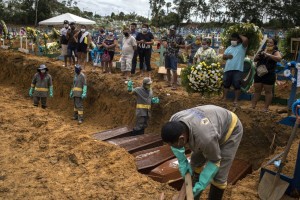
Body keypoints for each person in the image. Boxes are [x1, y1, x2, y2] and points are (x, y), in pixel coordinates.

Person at [161, 105, 243, 200]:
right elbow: (179, 148)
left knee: (219, 175)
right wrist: (183, 162)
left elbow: (215, 161)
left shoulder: (206, 139)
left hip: (230, 129)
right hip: (209, 124)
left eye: (172, 145)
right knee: (195, 162)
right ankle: (194, 196)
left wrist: (202, 184)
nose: (171, 147)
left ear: (181, 139)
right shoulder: (174, 120)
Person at [251, 38, 282, 112]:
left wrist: (268, 55)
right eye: (268, 42)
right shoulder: (262, 50)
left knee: (268, 91)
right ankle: (253, 106)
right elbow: (255, 59)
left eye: (271, 43)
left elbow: (279, 58)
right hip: (259, 73)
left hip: (269, 74)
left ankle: (265, 108)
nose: (268, 44)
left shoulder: (275, 52)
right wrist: (259, 55)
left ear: (274, 45)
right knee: (257, 90)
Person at [222, 33, 248, 107]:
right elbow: (223, 56)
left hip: (238, 69)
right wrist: (227, 56)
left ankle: (236, 100)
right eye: (232, 39)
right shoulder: (229, 47)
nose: (232, 41)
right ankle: (224, 98)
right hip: (228, 69)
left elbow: (246, 40)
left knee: (237, 84)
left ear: (239, 40)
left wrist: (238, 34)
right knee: (226, 84)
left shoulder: (242, 47)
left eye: (234, 39)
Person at [162, 25, 185, 90]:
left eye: (172, 30)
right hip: (167, 54)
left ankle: (175, 84)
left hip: (174, 55)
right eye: (170, 30)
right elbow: (163, 41)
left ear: (175, 30)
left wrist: (177, 45)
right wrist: (164, 43)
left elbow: (184, 46)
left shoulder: (179, 36)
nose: (171, 31)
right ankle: (169, 82)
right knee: (167, 69)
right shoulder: (167, 35)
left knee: (174, 70)